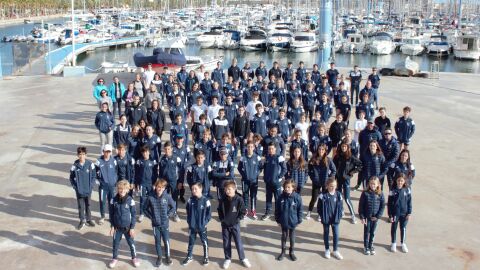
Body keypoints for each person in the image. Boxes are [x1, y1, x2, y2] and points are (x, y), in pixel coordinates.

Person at [218, 180, 251, 269]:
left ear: (234, 189)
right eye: (226, 189)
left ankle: (243, 258)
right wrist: (222, 219)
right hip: (225, 225)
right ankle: (228, 258)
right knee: (226, 243)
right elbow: (219, 210)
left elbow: (243, 211)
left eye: (229, 189)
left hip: (235, 225)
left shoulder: (239, 199)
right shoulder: (222, 199)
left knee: (238, 242)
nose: (227, 191)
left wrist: (238, 219)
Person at [108, 180, 140, 268]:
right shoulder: (113, 200)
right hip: (117, 228)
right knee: (115, 244)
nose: (122, 191)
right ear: (118, 189)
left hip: (128, 228)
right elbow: (111, 214)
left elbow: (133, 215)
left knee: (131, 243)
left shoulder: (130, 200)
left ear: (127, 190)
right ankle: (114, 258)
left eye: (124, 189)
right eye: (120, 189)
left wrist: (132, 227)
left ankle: (134, 257)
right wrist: (112, 226)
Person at [144, 179, 176, 266]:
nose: (160, 189)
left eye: (162, 187)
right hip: (155, 225)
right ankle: (159, 257)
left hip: (165, 224)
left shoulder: (167, 197)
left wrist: (168, 215)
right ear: (155, 187)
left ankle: (168, 257)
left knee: (166, 241)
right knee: (157, 241)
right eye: (158, 187)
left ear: (164, 188)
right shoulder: (150, 197)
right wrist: (151, 217)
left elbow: (173, 207)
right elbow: (145, 209)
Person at [182, 182, 212, 266]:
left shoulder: (206, 201)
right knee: (191, 241)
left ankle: (206, 257)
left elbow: (209, 215)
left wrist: (204, 223)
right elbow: (187, 211)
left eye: (195, 189)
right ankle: (189, 256)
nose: (193, 190)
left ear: (201, 189)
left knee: (204, 241)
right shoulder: (190, 200)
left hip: (202, 226)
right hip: (192, 226)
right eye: (192, 189)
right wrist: (189, 221)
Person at [334, 142, 362, 224]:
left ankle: (352, 215)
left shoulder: (351, 157)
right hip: (339, 180)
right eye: (342, 146)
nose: (343, 148)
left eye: (345, 146)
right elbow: (334, 167)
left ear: (348, 147)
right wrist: (334, 177)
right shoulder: (337, 156)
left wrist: (352, 172)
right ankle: (341, 211)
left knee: (347, 198)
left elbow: (360, 165)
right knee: (339, 197)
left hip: (346, 180)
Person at [275, 179, 303, 261]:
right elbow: (277, 209)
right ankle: (283, 252)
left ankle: (292, 252)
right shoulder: (280, 197)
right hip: (283, 221)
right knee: (284, 236)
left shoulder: (297, 197)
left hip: (293, 222)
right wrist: (277, 220)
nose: (286, 189)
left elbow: (300, 210)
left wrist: (299, 220)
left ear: (293, 188)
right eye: (285, 187)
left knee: (292, 237)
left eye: (288, 187)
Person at [306, 144, 336, 220]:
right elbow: (308, 169)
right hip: (316, 182)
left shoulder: (328, 160)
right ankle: (309, 211)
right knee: (314, 198)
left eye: (322, 150)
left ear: (325, 151)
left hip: (325, 183)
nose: (321, 151)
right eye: (319, 149)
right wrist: (312, 177)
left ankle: (320, 213)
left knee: (323, 198)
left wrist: (330, 179)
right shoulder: (313, 159)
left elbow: (334, 170)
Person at [70, 146, 96, 230]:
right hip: (79, 190)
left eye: (83, 154)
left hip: (88, 189)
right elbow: (71, 177)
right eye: (80, 154)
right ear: (77, 155)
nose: (81, 156)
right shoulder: (75, 165)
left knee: (88, 205)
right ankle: (82, 220)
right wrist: (75, 187)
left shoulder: (90, 164)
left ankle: (89, 219)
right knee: (81, 206)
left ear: (86, 155)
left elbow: (93, 176)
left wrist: (91, 185)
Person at [317, 178, 344, 260]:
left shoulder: (339, 194)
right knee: (326, 233)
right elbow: (319, 208)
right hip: (326, 219)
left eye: (334, 186)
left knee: (336, 234)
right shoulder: (323, 195)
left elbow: (341, 206)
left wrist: (340, 214)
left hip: (335, 219)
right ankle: (327, 249)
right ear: (327, 186)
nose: (333, 188)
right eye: (331, 186)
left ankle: (335, 250)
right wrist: (322, 216)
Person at [359, 176, 385, 256]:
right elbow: (361, 206)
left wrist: (378, 216)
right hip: (367, 217)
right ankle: (366, 246)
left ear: (378, 184)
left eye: (374, 184)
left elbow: (382, 206)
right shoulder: (365, 193)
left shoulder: (380, 193)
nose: (372, 185)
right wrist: (362, 217)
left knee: (373, 232)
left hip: (375, 218)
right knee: (367, 232)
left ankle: (371, 245)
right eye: (371, 183)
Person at [262, 143, 287, 221]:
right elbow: (265, 169)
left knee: (277, 199)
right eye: (269, 149)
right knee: (268, 198)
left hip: (277, 183)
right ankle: (267, 213)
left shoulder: (279, 157)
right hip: (268, 182)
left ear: (275, 149)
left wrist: (279, 177)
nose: (270, 150)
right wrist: (265, 177)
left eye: (272, 149)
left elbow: (284, 169)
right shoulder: (267, 157)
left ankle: (277, 214)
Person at [238, 141, 263, 220]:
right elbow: (239, 168)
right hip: (245, 181)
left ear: (254, 148)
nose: (250, 148)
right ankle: (245, 211)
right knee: (245, 195)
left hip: (254, 181)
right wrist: (244, 174)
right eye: (248, 147)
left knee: (253, 196)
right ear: (246, 147)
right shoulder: (243, 157)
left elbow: (261, 167)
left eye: (251, 147)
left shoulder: (257, 157)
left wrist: (256, 174)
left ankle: (253, 211)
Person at [388, 174, 412, 253]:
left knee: (403, 228)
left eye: (402, 181)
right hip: (395, 213)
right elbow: (389, 203)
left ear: (404, 181)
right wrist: (390, 215)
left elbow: (409, 202)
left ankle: (403, 243)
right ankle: (393, 243)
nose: (400, 182)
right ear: (396, 180)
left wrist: (409, 213)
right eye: (398, 180)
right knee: (394, 228)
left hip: (404, 214)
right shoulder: (392, 190)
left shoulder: (407, 190)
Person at [95, 144, 118, 225]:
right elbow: (95, 172)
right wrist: (98, 181)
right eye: (106, 151)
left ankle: (111, 217)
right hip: (103, 187)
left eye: (109, 152)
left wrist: (115, 181)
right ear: (103, 152)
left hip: (111, 186)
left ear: (111, 152)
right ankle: (102, 216)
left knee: (111, 201)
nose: (107, 153)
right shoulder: (98, 161)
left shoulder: (114, 161)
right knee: (102, 201)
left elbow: (116, 171)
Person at [158, 142, 182, 216]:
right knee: (164, 197)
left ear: (171, 149)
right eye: (165, 149)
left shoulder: (176, 159)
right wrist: (160, 182)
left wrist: (180, 181)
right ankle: (166, 212)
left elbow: (181, 171)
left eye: (168, 149)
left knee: (174, 197)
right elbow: (160, 172)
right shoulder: (162, 159)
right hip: (164, 182)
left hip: (174, 181)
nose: (167, 151)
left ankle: (175, 213)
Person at [135, 146, 158, 222]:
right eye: (143, 152)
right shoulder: (139, 161)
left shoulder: (153, 161)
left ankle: (151, 212)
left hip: (151, 184)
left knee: (151, 198)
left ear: (149, 152)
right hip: (142, 183)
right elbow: (136, 173)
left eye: (146, 152)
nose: (145, 153)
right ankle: (141, 213)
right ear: (142, 153)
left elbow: (155, 173)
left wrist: (155, 183)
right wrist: (137, 184)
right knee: (142, 198)